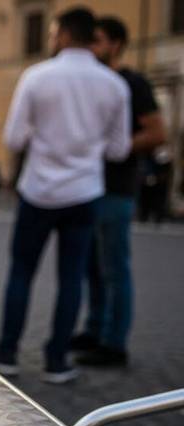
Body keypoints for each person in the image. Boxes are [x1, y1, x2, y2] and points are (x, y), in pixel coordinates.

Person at [0, 7, 131, 384]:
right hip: (84, 192)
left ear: (63, 33)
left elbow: (14, 139)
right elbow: (118, 150)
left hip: (38, 190)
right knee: (72, 278)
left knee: (22, 271)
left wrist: (46, 138)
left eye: (52, 33)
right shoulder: (114, 85)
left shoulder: (37, 76)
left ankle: (7, 351)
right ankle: (56, 360)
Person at [73, 16, 167, 367]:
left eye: (96, 40)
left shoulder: (132, 82)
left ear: (115, 44)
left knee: (114, 266)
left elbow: (158, 132)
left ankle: (115, 342)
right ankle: (94, 329)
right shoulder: (92, 82)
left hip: (116, 189)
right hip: (86, 187)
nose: (90, 47)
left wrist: (114, 147)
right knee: (91, 266)